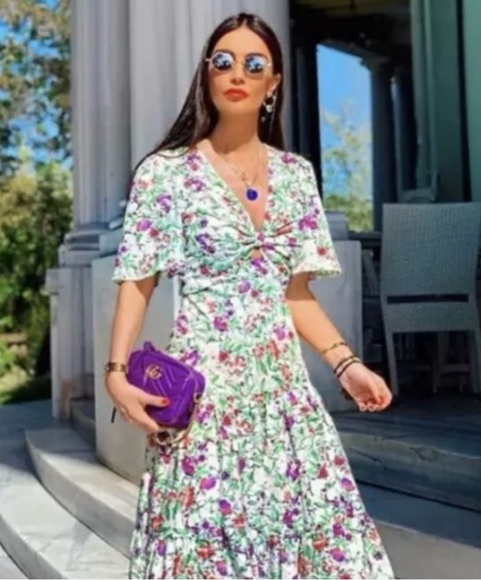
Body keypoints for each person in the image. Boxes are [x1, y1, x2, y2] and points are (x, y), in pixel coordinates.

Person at [105, 12, 395, 580]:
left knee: (320, 548)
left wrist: (347, 365)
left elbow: (296, 296)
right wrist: (115, 373)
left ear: (273, 83)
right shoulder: (166, 174)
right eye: (224, 61)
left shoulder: (296, 176)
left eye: (254, 64)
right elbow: (138, 278)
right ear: (207, 74)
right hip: (205, 401)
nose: (237, 73)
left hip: (284, 400)